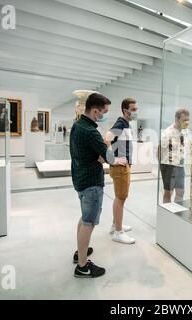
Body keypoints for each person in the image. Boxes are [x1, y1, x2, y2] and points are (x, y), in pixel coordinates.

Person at [70, 92, 127, 278]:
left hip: (80, 179)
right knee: (89, 222)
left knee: (84, 218)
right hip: (91, 182)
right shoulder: (91, 131)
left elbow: (92, 154)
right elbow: (109, 157)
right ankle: (82, 266)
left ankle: (81, 252)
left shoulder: (77, 125)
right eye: (104, 111)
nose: (105, 115)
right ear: (95, 111)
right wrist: (108, 152)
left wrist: (101, 154)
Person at [104, 98, 138, 244]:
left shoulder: (126, 124)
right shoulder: (121, 123)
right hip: (120, 167)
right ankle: (118, 232)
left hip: (124, 166)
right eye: (133, 109)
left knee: (120, 197)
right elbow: (107, 138)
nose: (136, 112)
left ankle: (115, 225)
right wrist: (113, 158)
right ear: (125, 110)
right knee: (120, 198)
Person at [159, 108, 190, 203]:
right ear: (177, 119)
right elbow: (159, 151)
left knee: (181, 192)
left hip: (180, 166)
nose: (187, 122)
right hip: (169, 166)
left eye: (188, 120)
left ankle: (177, 213)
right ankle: (166, 214)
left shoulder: (186, 131)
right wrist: (163, 168)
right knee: (169, 192)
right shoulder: (168, 133)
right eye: (184, 120)